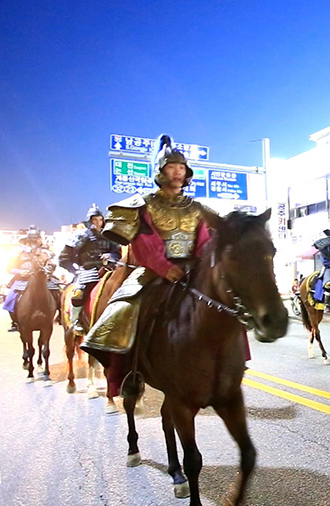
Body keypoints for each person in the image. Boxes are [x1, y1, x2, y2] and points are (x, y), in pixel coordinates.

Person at [82, 134, 220, 412]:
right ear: (160, 171)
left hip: (192, 270)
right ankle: (126, 373)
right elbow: (144, 242)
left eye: (181, 167)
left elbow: (204, 240)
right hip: (153, 272)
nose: (178, 172)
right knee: (122, 311)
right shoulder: (143, 204)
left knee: (222, 304)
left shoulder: (197, 208)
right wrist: (166, 268)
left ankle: (225, 366)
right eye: (171, 166)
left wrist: (204, 264)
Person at [59, 204, 121, 333]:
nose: (98, 222)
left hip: (109, 268)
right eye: (95, 220)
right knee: (79, 293)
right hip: (89, 269)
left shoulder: (109, 235)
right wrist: (75, 270)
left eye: (100, 219)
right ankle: (75, 320)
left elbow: (117, 252)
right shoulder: (82, 235)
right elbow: (64, 256)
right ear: (90, 221)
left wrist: (110, 255)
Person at [2, 227, 58, 332]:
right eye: (33, 240)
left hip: (43, 278)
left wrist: (49, 271)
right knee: (10, 298)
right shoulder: (19, 253)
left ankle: (60, 314)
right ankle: (15, 321)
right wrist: (20, 272)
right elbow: (9, 268)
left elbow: (52, 265)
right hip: (24, 279)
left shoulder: (46, 252)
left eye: (37, 239)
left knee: (58, 292)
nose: (36, 242)